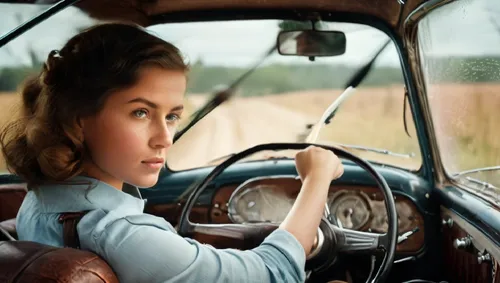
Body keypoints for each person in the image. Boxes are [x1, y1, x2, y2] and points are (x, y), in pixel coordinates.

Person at [0, 22, 344, 283]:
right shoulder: (123, 236)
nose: (165, 138)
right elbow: (275, 271)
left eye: (172, 116)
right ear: (78, 122)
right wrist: (317, 177)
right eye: (140, 112)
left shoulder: (40, 202)